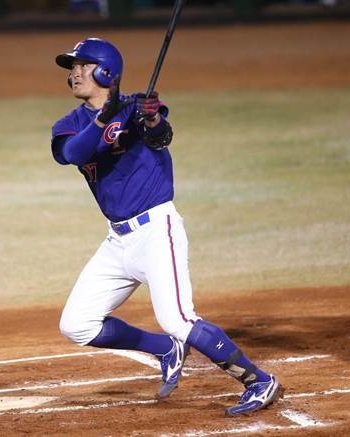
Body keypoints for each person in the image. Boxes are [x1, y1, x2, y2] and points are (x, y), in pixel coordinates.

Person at [50, 37, 283, 416]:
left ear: (106, 72)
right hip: (117, 241)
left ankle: (258, 380)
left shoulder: (136, 108)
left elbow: (161, 136)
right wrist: (105, 118)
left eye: (82, 65)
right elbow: (75, 153)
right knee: (76, 324)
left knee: (177, 318)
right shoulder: (68, 124)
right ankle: (164, 349)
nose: (74, 73)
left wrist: (152, 118)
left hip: (157, 231)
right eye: (71, 67)